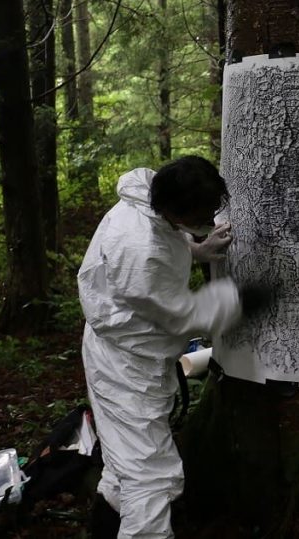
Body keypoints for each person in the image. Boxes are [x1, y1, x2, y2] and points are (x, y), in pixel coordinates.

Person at [78, 156, 269, 538]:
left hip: (123, 351)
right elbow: (182, 314)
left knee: (125, 463)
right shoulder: (141, 255)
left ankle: (101, 526)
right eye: (203, 213)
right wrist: (237, 300)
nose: (211, 216)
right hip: (126, 367)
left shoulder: (144, 202)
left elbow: (165, 239)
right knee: (150, 478)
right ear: (175, 208)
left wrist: (196, 250)